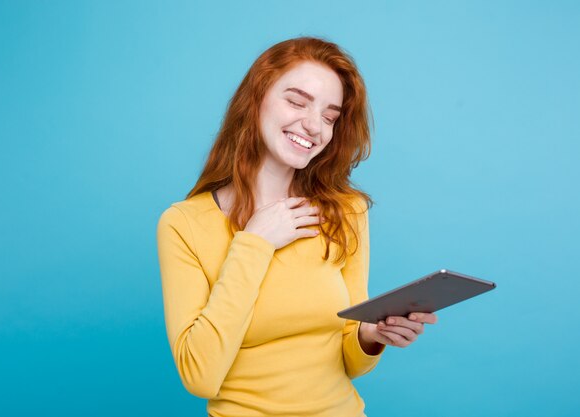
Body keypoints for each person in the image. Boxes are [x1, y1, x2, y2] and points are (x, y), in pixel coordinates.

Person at [156, 37, 437, 417]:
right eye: (297, 101)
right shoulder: (184, 224)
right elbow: (199, 377)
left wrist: (371, 337)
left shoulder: (346, 211)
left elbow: (350, 361)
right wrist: (253, 243)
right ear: (255, 98)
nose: (313, 126)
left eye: (329, 116)